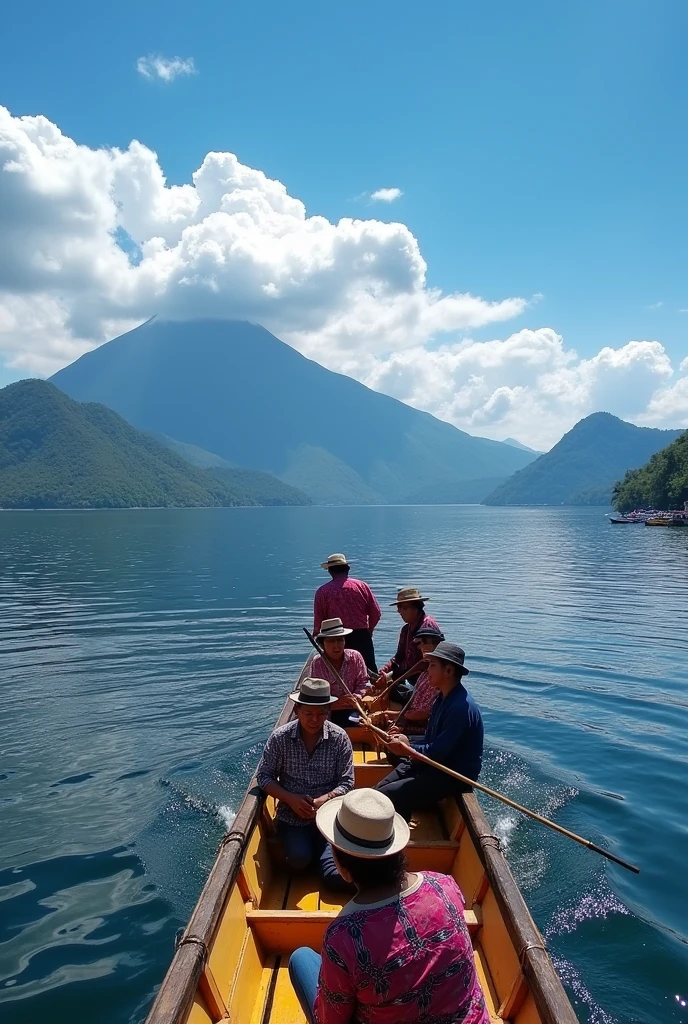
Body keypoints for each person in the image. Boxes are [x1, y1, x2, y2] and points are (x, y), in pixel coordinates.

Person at [288, 788, 490, 1024]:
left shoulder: (342, 938)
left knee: (301, 958)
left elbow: (329, 1021)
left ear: (342, 867)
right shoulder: (444, 884)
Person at [255, 678, 354, 890]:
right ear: (297, 710)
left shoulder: (340, 738)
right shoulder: (279, 738)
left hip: (329, 817)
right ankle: (304, 855)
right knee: (300, 859)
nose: (314, 719)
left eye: (321, 713)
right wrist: (290, 799)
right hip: (292, 817)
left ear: (328, 711)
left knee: (333, 875)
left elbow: (347, 782)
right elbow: (264, 777)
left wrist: (324, 800)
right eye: (308, 713)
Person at [375, 642, 483, 822]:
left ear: (448, 671)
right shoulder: (442, 697)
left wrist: (407, 748)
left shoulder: (460, 708)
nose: (427, 670)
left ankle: (399, 830)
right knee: (378, 790)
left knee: (386, 797)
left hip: (450, 774)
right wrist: (404, 742)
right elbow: (430, 739)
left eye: (432, 665)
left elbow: (438, 753)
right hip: (433, 764)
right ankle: (419, 800)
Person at [314, 554, 381, 671]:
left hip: (335, 638)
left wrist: (319, 639)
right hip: (362, 637)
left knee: (339, 671)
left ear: (330, 571)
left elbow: (318, 623)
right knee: (369, 671)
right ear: (347, 569)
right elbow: (376, 613)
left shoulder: (322, 592)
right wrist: (369, 631)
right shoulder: (361, 586)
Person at [374, 623, 445, 737]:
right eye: (420, 643)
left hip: (423, 726)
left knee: (385, 735)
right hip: (411, 717)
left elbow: (425, 714)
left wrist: (398, 717)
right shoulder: (424, 673)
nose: (421, 646)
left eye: (425, 641)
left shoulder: (439, 676)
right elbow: (414, 703)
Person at [376, 587, 441, 703]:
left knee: (390, 691)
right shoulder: (406, 629)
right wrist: (385, 670)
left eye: (404, 608)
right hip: (408, 678)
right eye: (399, 608)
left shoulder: (427, 628)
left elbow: (425, 664)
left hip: (426, 682)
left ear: (416, 608)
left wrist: (393, 676)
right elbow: (399, 656)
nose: (400, 612)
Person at [310, 618, 370, 728]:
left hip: (353, 708)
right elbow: (316, 694)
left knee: (360, 724)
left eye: (340, 640)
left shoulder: (355, 657)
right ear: (323, 644)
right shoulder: (317, 663)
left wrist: (357, 696)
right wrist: (337, 702)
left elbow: (363, 682)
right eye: (331, 641)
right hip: (329, 710)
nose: (336, 645)